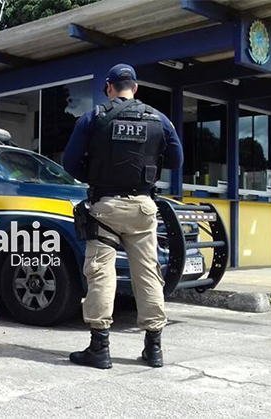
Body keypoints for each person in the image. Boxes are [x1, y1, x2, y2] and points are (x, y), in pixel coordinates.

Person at [62, 63, 183, 369]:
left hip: (105, 207)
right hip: (143, 208)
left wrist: (93, 175)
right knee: (148, 274)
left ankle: (99, 349)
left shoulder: (94, 117)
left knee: (102, 272)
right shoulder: (160, 119)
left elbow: (70, 163)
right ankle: (154, 349)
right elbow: (178, 160)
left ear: (109, 87)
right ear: (136, 88)